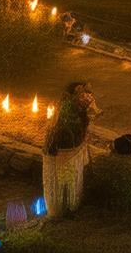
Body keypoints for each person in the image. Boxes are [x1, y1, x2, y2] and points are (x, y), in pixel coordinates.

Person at [43, 82, 100, 217]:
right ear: (73, 96)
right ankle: (63, 209)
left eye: (86, 92)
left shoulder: (78, 108)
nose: (86, 96)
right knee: (64, 181)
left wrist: (88, 111)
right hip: (63, 151)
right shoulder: (67, 109)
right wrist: (89, 112)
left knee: (71, 179)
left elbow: (82, 127)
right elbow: (70, 130)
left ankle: (70, 205)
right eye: (82, 93)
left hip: (71, 149)